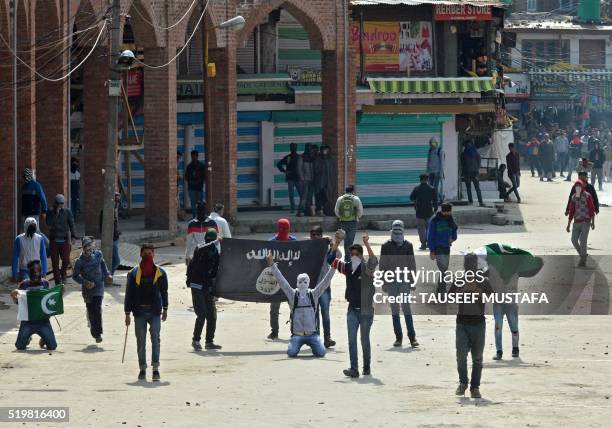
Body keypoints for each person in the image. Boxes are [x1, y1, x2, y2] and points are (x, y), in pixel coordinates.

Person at [265, 244, 335, 358]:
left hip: (312, 335)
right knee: (292, 353)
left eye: (305, 282)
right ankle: (294, 344)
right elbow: (281, 281)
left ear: (308, 283)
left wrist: (334, 267)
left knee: (321, 353)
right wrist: (272, 265)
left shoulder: (314, 294)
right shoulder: (292, 294)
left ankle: (316, 343)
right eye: (300, 282)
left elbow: (325, 281)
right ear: (297, 283)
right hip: (297, 335)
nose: (302, 284)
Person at [328, 232, 378, 378]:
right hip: (352, 310)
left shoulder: (367, 269)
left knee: (364, 340)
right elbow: (330, 259)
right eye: (352, 254)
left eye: (357, 253)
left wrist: (367, 244)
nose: (354, 255)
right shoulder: (347, 268)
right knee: (351, 340)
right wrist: (337, 243)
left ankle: (366, 367)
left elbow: (374, 261)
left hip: (366, 310)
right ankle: (354, 368)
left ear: (361, 255)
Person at [448, 253, 493, 399]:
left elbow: (493, 297)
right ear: (465, 267)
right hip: (462, 322)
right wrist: (460, 293)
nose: (470, 270)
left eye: (472, 266)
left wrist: (480, 294)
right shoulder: (460, 280)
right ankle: (463, 383)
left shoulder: (483, 281)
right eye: (468, 267)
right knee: (461, 356)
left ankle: (475, 387)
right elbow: (449, 296)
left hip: (478, 323)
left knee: (477, 358)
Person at [124, 244, 169, 381]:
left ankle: (155, 368)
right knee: (141, 342)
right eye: (145, 253)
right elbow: (129, 294)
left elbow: (164, 292)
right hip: (139, 312)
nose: (147, 256)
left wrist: (165, 309)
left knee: (156, 339)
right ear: (140, 255)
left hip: (155, 311)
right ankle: (142, 369)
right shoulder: (133, 273)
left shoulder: (160, 273)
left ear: (154, 254)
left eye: (150, 253)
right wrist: (127, 313)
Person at [379, 220, 419, 348]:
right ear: (391, 230)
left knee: (406, 309)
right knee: (395, 310)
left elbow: (412, 264)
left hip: (405, 281)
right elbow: (382, 265)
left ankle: (412, 337)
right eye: (395, 229)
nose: (397, 232)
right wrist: (383, 282)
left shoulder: (408, 245)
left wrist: (413, 281)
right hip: (391, 282)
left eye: (399, 229)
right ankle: (398, 337)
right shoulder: (385, 246)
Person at [72, 236, 112, 343]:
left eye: (89, 245)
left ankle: (97, 334)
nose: (88, 248)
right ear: (83, 248)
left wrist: (107, 275)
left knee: (97, 309)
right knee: (91, 311)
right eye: (85, 246)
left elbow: (103, 265)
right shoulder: (79, 262)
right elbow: (75, 276)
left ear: (92, 246)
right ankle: (94, 330)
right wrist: (85, 282)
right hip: (88, 291)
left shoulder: (98, 255)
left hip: (99, 286)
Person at [187, 228, 222, 350]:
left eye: (212, 239)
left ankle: (209, 341)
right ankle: (196, 340)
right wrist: (216, 242)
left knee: (212, 315)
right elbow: (203, 248)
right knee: (201, 314)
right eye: (210, 239)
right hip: (197, 285)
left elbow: (216, 271)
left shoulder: (215, 254)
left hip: (207, 286)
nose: (210, 241)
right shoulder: (199, 248)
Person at [11, 260, 57, 351]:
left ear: (41, 272)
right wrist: (14, 296)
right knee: (20, 346)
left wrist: (60, 293)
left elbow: (50, 301)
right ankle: (27, 338)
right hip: (28, 321)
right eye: (34, 273)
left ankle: (44, 338)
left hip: (43, 321)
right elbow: (19, 302)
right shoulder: (24, 284)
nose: (36, 276)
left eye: (38, 273)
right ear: (29, 273)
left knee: (52, 346)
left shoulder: (45, 284)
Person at [268, 218, 297, 340]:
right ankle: (274, 331)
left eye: (285, 228)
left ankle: (294, 331)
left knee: (293, 307)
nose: (284, 230)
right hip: (276, 279)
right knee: (274, 308)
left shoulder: (294, 241)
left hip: (290, 279)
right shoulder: (271, 242)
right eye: (282, 228)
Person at [310, 226, 339, 348]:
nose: (315, 236)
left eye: (317, 234)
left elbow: (338, 254)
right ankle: (316, 338)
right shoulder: (307, 248)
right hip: (311, 288)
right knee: (314, 314)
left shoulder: (327, 249)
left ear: (321, 235)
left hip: (324, 287)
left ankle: (327, 338)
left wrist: (332, 242)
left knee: (325, 314)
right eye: (313, 234)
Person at [428, 203, 458, 294]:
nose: (450, 213)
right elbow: (430, 236)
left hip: (446, 248)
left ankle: (439, 289)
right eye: (449, 211)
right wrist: (432, 250)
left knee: (444, 269)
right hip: (438, 248)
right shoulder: (434, 220)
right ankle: (442, 291)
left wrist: (453, 238)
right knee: (443, 268)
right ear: (446, 211)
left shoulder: (450, 219)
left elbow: (454, 230)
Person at [46, 194, 76, 284]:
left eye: (62, 203)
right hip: (54, 240)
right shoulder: (50, 212)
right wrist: (56, 214)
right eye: (58, 203)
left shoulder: (67, 212)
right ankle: (58, 281)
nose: (60, 205)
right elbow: (49, 223)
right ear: (55, 203)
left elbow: (71, 224)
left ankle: (63, 274)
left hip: (65, 240)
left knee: (66, 260)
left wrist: (73, 236)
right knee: (55, 262)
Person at [566, 180, 596, 267]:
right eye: (576, 186)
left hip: (586, 222)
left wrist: (593, 222)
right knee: (574, 240)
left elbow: (591, 209)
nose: (578, 188)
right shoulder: (574, 197)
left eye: (579, 186)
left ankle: (583, 260)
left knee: (583, 241)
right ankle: (583, 255)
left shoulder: (587, 196)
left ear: (582, 187)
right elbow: (571, 211)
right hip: (576, 222)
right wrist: (568, 224)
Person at [12, 218, 47, 282]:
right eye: (30, 226)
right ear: (26, 226)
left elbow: (43, 256)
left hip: (36, 270)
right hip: (24, 270)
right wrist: (15, 272)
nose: (32, 228)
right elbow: (15, 256)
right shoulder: (19, 239)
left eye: (33, 226)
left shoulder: (40, 239)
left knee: (37, 288)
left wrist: (44, 271)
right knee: (27, 286)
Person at [334, 185, 364, 260]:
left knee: (346, 241)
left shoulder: (340, 199)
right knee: (350, 241)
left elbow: (336, 211)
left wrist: (341, 217)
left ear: (345, 191)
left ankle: (347, 257)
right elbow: (360, 211)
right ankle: (348, 258)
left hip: (343, 222)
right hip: (353, 222)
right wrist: (357, 217)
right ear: (353, 191)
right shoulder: (356, 199)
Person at [185, 201, 219, 265]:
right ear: (196, 211)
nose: (201, 212)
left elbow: (217, 241)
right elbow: (188, 243)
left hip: (209, 255)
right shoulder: (191, 224)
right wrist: (187, 257)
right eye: (199, 210)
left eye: (202, 210)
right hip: (196, 255)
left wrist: (217, 253)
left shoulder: (212, 223)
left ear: (205, 210)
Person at [410, 174, 438, 250]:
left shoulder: (416, 189)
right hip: (429, 212)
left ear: (420, 180)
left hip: (419, 212)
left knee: (421, 229)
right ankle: (429, 243)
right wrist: (435, 209)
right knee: (430, 229)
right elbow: (435, 200)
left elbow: (411, 197)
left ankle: (423, 244)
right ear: (427, 180)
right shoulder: (432, 188)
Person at [99, 192, 122, 282]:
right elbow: (103, 226)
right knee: (116, 261)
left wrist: (117, 232)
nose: (117, 203)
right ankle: (108, 276)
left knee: (114, 260)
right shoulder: (106, 211)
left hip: (115, 238)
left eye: (118, 201)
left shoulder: (115, 210)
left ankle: (108, 276)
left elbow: (114, 224)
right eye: (116, 200)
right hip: (110, 239)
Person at [276, 142, 303, 213]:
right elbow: (278, 164)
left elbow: (303, 167)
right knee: (292, 194)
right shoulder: (289, 157)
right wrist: (284, 171)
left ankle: (300, 208)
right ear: (290, 148)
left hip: (297, 178)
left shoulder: (299, 157)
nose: (293, 149)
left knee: (301, 194)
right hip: (291, 178)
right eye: (292, 147)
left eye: (294, 147)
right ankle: (293, 208)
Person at [313, 145, 337, 216]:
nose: (325, 152)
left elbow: (333, 171)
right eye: (324, 150)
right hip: (320, 182)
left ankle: (328, 210)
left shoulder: (331, 160)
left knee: (328, 197)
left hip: (329, 182)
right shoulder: (318, 159)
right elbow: (316, 170)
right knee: (320, 196)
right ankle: (319, 210)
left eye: (326, 150)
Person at [460, 142, 484, 206]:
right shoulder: (476, 153)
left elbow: (462, 164)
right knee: (477, 188)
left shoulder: (463, 154)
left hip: (467, 173)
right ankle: (480, 201)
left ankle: (470, 201)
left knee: (468, 188)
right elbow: (479, 162)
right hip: (475, 173)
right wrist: (477, 169)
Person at [185, 150, 206, 218]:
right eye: (192, 156)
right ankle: (195, 217)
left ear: (197, 156)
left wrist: (199, 181)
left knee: (200, 203)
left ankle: (200, 216)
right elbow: (186, 177)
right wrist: (190, 181)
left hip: (199, 188)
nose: (193, 157)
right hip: (192, 188)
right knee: (193, 203)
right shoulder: (189, 166)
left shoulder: (201, 166)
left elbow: (204, 176)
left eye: (195, 156)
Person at [298, 143, 315, 217]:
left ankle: (307, 211)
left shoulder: (312, 157)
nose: (309, 149)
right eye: (308, 148)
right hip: (305, 180)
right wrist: (302, 178)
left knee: (310, 197)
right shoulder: (301, 157)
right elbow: (299, 169)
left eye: (310, 148)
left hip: (312, 180)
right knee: (304, 197)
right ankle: (301, 211)